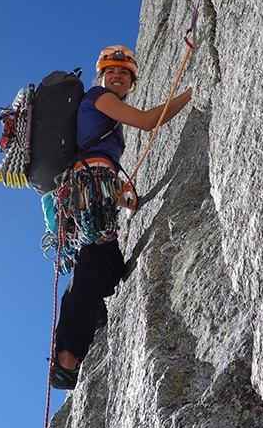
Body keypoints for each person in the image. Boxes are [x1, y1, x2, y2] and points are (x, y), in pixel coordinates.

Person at [51, 45, 192, 390]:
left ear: (131, 82)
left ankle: (94, 318)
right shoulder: (99, 97)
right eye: (111, 71)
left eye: (124, 74)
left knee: (110, 268)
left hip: (95, 186)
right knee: (95, 264)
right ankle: (67, 357)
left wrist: (123, 193)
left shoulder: (106, 114)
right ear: (100, 77)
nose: (117, 76)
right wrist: (190, 93)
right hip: (90, 187)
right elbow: (146, 122)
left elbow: (99, 157)